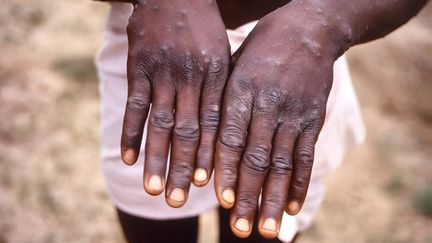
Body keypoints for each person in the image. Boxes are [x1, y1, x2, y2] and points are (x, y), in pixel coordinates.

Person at [95, 0, 428, 242]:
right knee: (153, 221)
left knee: (260, 224)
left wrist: (323, 23)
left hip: (294, 67)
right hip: (161, 56)